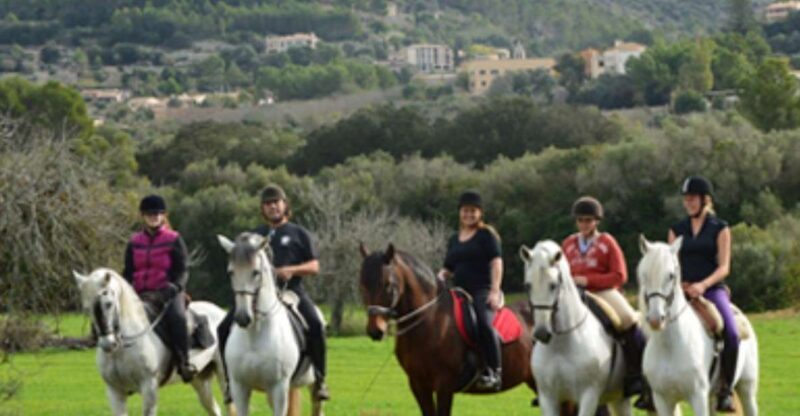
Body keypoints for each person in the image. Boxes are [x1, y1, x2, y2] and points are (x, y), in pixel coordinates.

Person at [217, 185, 329, 402]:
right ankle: (231, 383)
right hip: (256, 295)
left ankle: (320, 379)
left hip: (291, 292)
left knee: (315, 324)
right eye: (268, 204)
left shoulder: (299, 233)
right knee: (222, 328)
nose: (273, 207)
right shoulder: (254, 236)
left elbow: (314, 266)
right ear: (263, 209)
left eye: (276, 202)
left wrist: (291, 270)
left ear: (285, 205)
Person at [561, 196, 652, 409]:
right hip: (574, 296)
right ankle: (548, 382)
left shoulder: (606, 242)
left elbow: (620, 275)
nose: (584, 224)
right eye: (581, 220)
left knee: (630, 320)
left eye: (588, 220)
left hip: (603, 292)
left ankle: (636, 376)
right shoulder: (567, 244)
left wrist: (588, 280)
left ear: (596, 221)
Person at [668, 176, 737, 413]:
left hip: (711, 289)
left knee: (730, 331)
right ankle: (649, 387)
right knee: (651, 327)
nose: (688, 203)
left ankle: (725, 390)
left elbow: (724, 267)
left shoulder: (720, 228)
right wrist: (681, 286)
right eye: (686, 199)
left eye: (692, 199)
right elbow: (671, 264)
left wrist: (702, 285)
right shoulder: (676, 229)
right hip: (680, 290)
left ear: (704, 200)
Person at [122, 194, 196, 382]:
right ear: (142, 216)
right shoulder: (134, 242)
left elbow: (183, 269)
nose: (154, 216)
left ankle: (184, 362)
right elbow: (128, 271)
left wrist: (176, 287)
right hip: (140, 294)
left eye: (158, 213)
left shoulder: (174, 239)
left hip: (167, 294)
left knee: (178, 318)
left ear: (163, 215)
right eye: (149, 213)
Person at [437, 190, 504, 391]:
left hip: (481, 290)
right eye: (465, 211)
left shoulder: (486, 235)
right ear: (460, 212)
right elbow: (448, 268)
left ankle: (494, 371)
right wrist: (437, 279)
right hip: (457, 292)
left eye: (473, 211)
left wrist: (495, 290)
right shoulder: (454, 239)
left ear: (480, 213)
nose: (469, 215)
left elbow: (496, 263)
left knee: (483, 323)